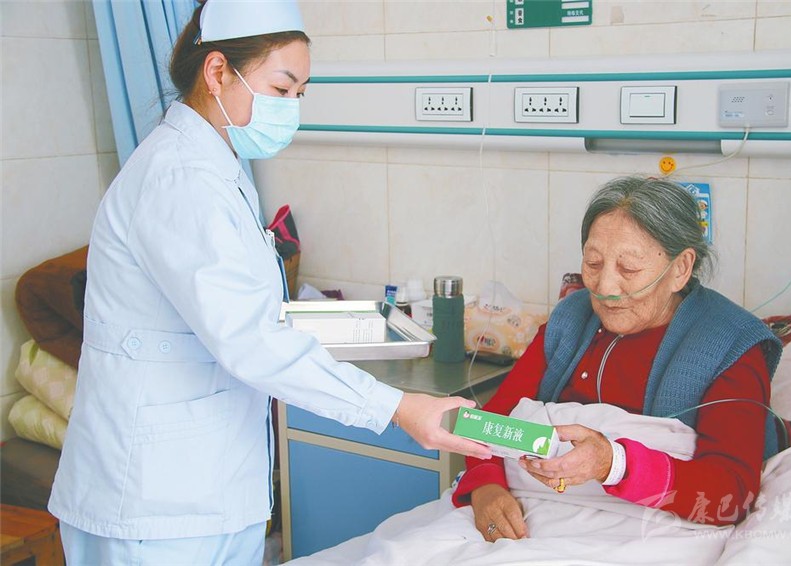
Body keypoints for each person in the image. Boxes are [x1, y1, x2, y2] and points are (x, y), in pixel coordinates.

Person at [47, 1, 489, 563]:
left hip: (204, 489)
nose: (292, 109)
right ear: (217, 72)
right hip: (152, 502)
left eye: (300, 93)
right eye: (281, 89)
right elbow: (249, 340)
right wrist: (396, 407)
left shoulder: (217, 168)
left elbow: (239, 314)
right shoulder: (180, 179)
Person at [452, 175, 783, 542]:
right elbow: (488, 425)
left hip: (652, 530)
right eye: (593, 263)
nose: (605, 287)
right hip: (536, 512)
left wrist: (614, 464)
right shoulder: (570, 319)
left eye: (629, 269)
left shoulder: (729, 344)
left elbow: (731, 493)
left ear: (680, 268)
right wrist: (485, 487)